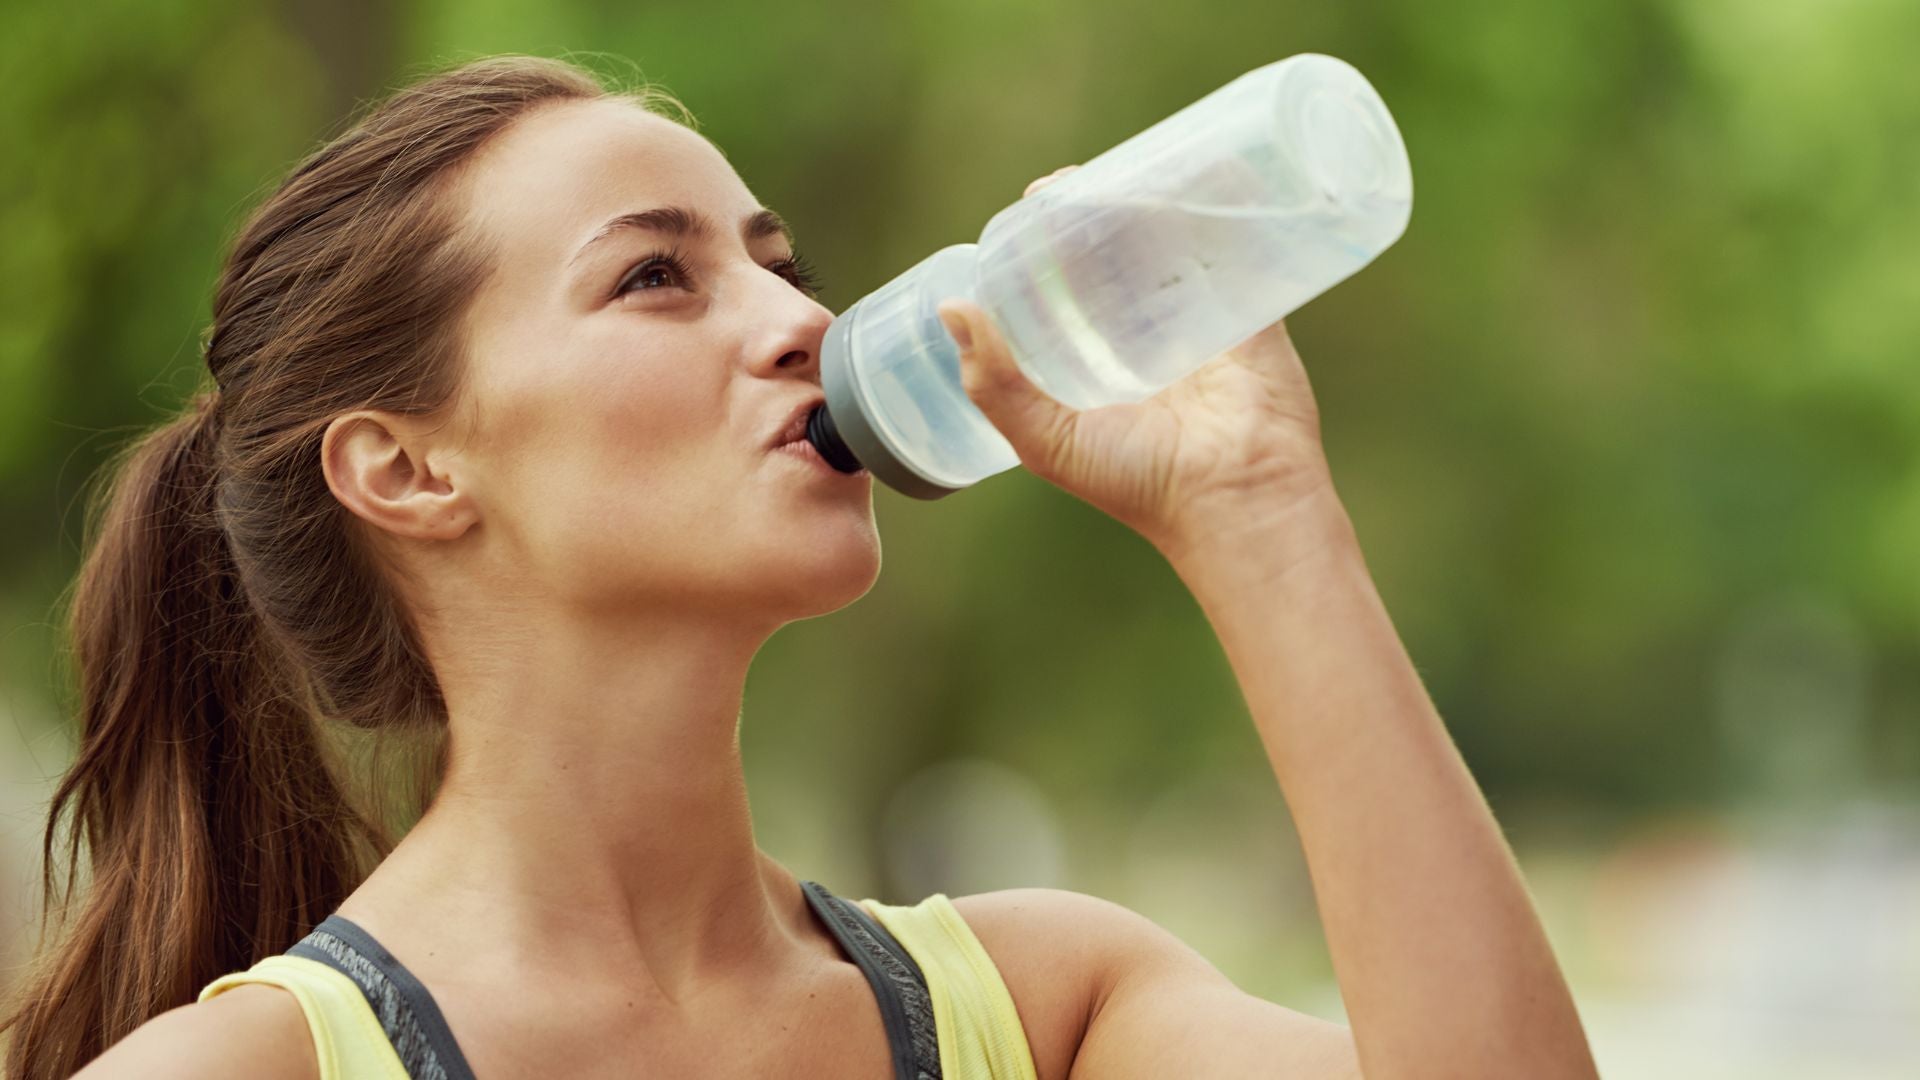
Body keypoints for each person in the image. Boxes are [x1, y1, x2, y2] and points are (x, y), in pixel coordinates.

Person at [3, 54, 1597, 1080]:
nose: (802, 326)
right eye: (653, 278)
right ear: (409, 468)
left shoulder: (1048, 1011)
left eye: (780, 266)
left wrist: (1260, 507)